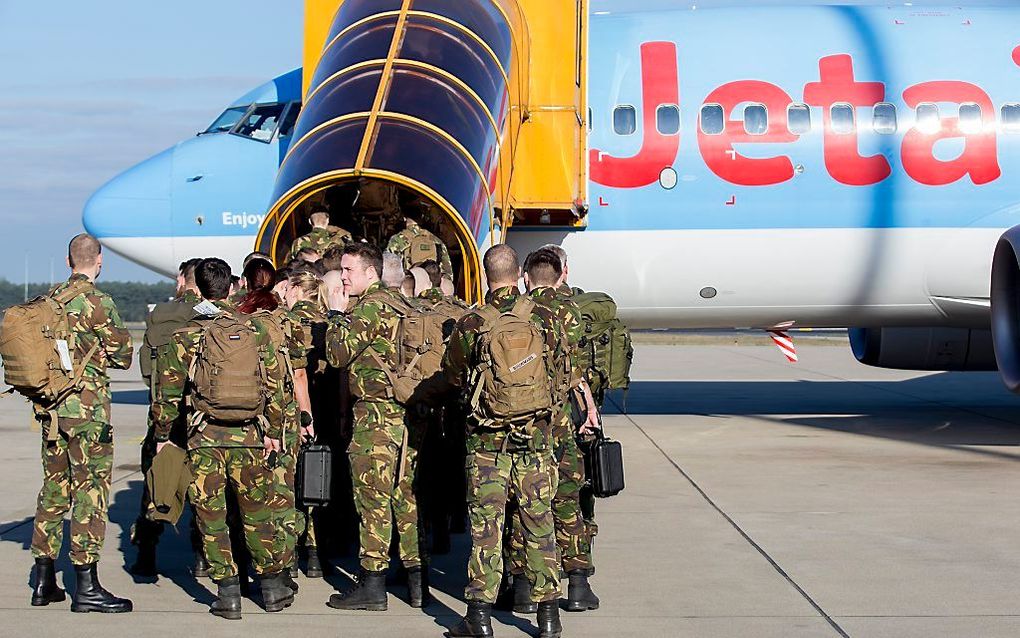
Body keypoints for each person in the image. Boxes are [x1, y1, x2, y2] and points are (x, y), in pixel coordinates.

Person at [151, 258, 292, 619]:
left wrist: (164, 435)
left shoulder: (186, 336)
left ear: (198, 288)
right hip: (249, 436)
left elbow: (166, 394)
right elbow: (275, 386)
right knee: (258, 512)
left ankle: (228, 593)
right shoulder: (256, 330)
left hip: (205, 438)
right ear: (233, 287)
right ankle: (272, 587)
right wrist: (274, 431)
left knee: (211, 517)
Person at [442, 244, 564, 638]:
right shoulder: (545, 316)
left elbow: (453, 374)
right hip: (535, 439)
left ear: (486, 274)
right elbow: (563, 372)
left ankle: (478, 617)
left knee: (486, 528)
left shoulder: (473, 321)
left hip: (488, 445)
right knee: (539, 523)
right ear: (519, 274)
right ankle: (548, 616)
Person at [29, 234, 135, 613]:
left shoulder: (48, 301)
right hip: (88, 414)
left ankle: (44, 580)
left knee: (54, 488)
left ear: (68, 259)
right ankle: (86, 585)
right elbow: (123, 355)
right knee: (90, 492)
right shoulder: (98, 302)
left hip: (53, 411)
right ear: (99, 261)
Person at [324, 243, 426, 611]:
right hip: (407, 417)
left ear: (372, 273)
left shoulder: (368, 306)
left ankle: (372, 583)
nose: (344, 277)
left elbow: (337, 354)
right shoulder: (404, 305)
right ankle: (417, 581)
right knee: (405, 499)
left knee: (373, 501)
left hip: (376, 418)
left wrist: (336, 315)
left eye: (349, 270)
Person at [510, 248, 600, 612]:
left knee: (524, 502)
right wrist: (589, 407)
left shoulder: (515, 311)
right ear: (561, 274)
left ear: (526, 277)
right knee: (567, 499)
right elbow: (577, 370)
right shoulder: (570, 313)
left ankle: (522, 587)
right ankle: (577, 585)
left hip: (527, 419)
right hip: (563, 420)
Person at [130, 258, 206, 578]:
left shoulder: (158, 317)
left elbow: (147, 370)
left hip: (163, 413)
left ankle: (146, 554)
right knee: (205, 487)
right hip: (203, 418)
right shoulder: (216, 317)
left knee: (155, 483)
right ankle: (203, 555)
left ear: (181, 280)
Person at [282, 270, 330, 577]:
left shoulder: (289, 322)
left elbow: (296, 373)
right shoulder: (328, 322)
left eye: (288, 288)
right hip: (329, 406)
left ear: (299, 290)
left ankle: (293, 553)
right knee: (320, 479)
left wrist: (304, 414)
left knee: (294, 481)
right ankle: (316, 553)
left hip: (301, 408)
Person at [386, 218, 453, 280]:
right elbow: (448, 274)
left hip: (408, 287)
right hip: (433, 288)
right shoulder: (436, 240)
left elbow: (388, 270)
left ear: (404, 218)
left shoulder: (397, 240)